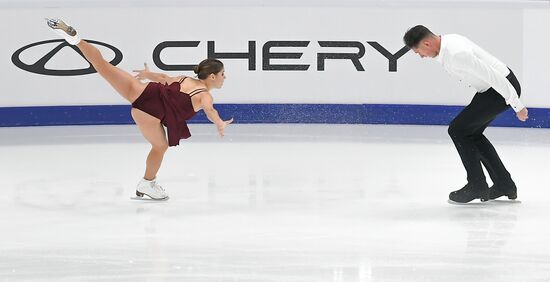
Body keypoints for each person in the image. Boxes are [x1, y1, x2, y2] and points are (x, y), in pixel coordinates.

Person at [46, 18, 233, 200]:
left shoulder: (185, 79)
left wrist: (146, 74)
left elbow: (163, 78)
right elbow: (210, 110)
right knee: (160, 146)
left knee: (102, 65)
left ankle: (76, 39)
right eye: (222, 74)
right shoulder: (205, 95)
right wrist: (219, 123)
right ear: (212, 77)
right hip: (149, 112)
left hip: (141, 90)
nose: (225, 77)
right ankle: (147, 183)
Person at [403, 25, 528, 203]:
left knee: (458, 130)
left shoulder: (456, 53)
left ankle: (476, 185)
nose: (421, 56)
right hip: (493, 89)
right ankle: (504, 184)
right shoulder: (447, 44)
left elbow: (493, 76)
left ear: (427, 43)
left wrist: (517, 105)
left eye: (418, 52)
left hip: (500, 89)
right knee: (471, 134)